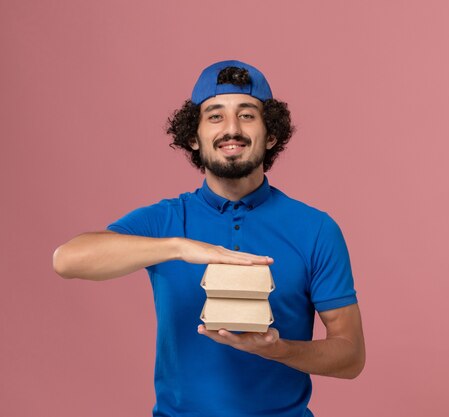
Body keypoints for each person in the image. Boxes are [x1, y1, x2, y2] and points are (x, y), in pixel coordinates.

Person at [53, 60, 365, 417]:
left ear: (271, 134)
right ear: (194, 137)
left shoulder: (316, 229)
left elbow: (351, 355)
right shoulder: (167, 220)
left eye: (247, 115)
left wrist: (277, 350)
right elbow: (67, 259)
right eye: (215, 116)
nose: (231, 129)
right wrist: (179, 247)